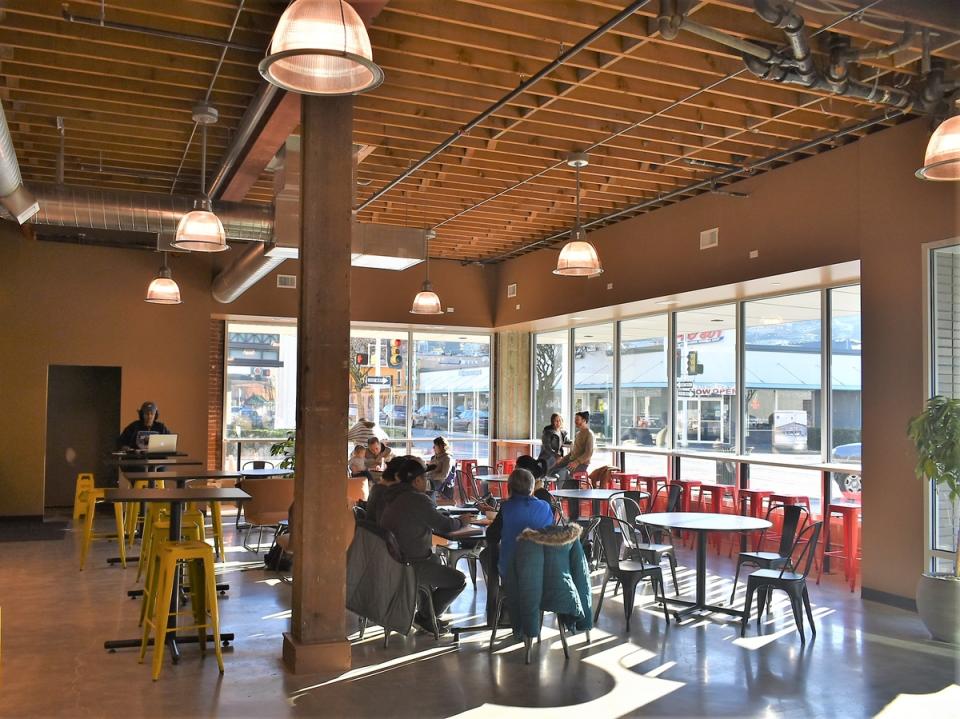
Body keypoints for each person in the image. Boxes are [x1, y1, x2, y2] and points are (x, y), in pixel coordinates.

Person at [379, 458, 467, 634]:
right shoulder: (417, 500)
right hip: (410, 565)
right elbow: (445, 526)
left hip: (392, 563)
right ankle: (426, 617)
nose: (427, 480)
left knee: (436, 560)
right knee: (458, 580)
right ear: (417, 481)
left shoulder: (393, 496)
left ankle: (427, 615)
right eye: (425, 477)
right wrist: (462, 521)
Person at [486, 468, 555, 578]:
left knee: (486, 554)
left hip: (512, 571)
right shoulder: (545, 507)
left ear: (509, 488)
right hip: (543, 568)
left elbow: (491, 535)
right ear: (532, 488)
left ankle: (497, 590)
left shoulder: (507, 507)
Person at [555, 411, 594, 476]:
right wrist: (562, 460)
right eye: (575, 419)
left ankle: (565, 486)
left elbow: (588, 453)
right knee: (553, 468)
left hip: (581, 464)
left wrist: (577, 462)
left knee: (562, 472)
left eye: (577, 419)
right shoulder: (578, 434)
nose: (575, 421)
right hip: (572, 461)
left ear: (584, 420)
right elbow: (573, 452)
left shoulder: (589, 434)